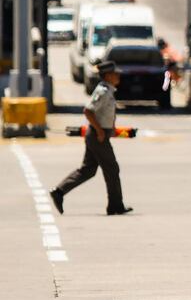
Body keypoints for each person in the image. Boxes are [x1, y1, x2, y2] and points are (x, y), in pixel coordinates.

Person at [49, 61, 132, 216]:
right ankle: (115, 205)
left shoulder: (109, 90)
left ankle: (59, 191)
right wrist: (100, 131)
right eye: (115, 74)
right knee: (112, 169)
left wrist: (111, 128)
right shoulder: (103, 91)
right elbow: (88, 111)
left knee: (88, 170)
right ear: (107, 75)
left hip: (98, 135)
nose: (118, 76)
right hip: (97, 136)